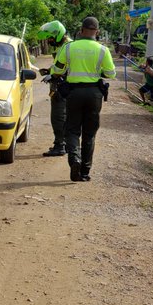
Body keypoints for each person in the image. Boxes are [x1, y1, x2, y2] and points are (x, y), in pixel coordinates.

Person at [51, 16, 116, 182]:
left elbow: (57, 70)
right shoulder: (103, 50)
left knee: (72, 129)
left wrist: (62, 73)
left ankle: (74, 159)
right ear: (97, 32)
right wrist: (97, 73)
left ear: (81, 30)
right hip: (94, 95)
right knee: (90, 134)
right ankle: (85, 172)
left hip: (74, 94)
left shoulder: (69, 47)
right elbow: (111, 74)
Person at [37, 20, 71, 156]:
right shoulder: (64, 45)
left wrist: (53, 75)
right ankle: (67, 144)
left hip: (63, 85)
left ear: (58, 35)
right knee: (64, 116)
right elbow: (59, 65)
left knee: (58, 116)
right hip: (65, 84)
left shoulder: (67, 46)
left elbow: (65, 68)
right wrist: (50, 71)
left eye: (50, 37)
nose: (49, 41)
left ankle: (60, 145)